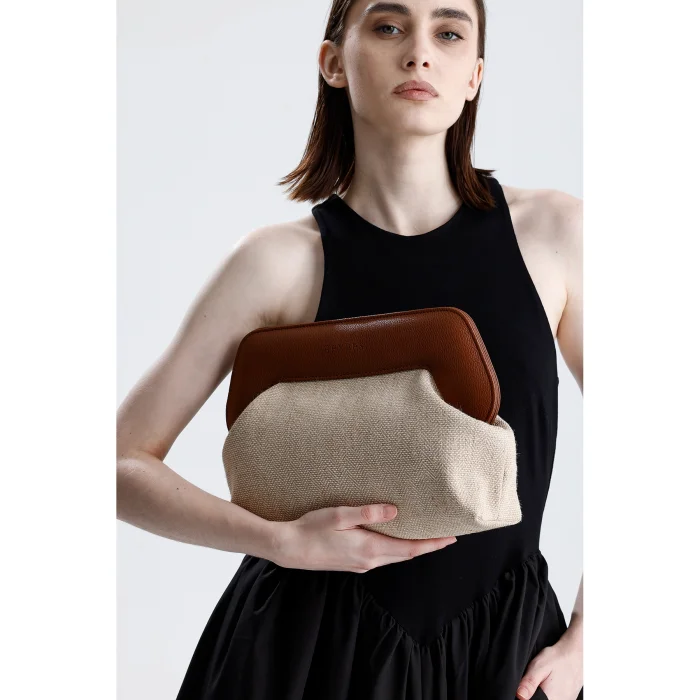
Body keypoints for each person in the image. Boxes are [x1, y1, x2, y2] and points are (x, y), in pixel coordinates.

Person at [116, 1, 583, 698]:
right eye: (389, 27)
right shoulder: (276, 263)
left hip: (504, 657)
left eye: (448, 33)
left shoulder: (555, 234)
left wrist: (593, 634)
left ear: (474, 76)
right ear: (334, 62)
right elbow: (118, 462)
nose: (419, 52)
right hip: (306, 655)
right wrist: (276, 541)